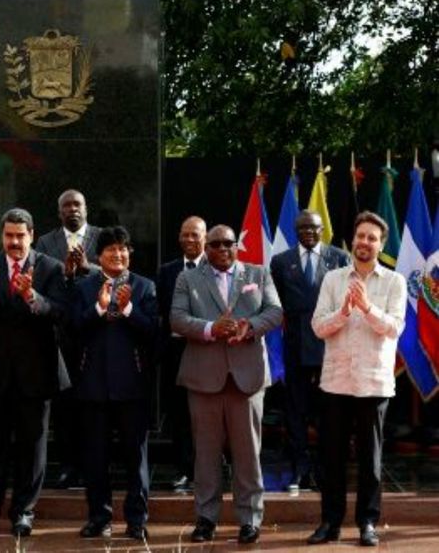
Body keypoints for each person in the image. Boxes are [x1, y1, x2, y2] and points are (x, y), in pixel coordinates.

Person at [170, 224, 282, 544]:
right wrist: (210, 329)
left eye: (228, 243)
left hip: (247, 379)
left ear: (236, 246)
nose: (222, 249)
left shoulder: (258, 274)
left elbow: (275, 312)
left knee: (248, 455)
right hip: (204, 379)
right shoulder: (187, 278)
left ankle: (250, 519)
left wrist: (250, 327)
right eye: (215, 244)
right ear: (206, 248)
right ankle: (206, 519)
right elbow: (177, 319)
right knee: (205, 455)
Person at [0, 208, 69, 537]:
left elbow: (60, 312)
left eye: (20, 236)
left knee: (31, 448)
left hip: (35, 374)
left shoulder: (51, 267)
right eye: (9, 235)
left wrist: (30, 295)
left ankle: (24, 512)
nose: (14, 242)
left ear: (31, 235)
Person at [306, 212, 406, 547]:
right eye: (360, 236)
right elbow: (318, 327)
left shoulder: (394, 282)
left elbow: (394, 328)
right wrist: (344, 312)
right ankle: (330, 522)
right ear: (353, 239)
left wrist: (366, 307)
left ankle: (367, 523)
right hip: (336, 382)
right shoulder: (333, 279)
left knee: (370, 460)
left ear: (381, 245)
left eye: (372, 238)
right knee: (331, 459)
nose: (365, 242)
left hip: (374, 384)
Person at [73, 226, 158, 540]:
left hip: (132, 385)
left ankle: (136, 520)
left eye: (123, 249)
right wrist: (98, 309)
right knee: (95, 458)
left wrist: (127, 310)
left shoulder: (145, 287)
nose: (118, 254)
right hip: (93, 386)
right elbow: (72, 328)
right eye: (111, 250)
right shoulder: (84, 287)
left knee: (136, 458)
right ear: (99, 256)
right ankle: (99, 518)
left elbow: (153, 331)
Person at [270, 210, 349, 490]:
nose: (308, 232)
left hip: (330, 346)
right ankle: (299, 469)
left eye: (313, 227)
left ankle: (326, 470)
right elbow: (276, 302)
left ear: (322, 229)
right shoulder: (281, 261)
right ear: (296, 231)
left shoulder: (339, 258)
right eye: (303, 228)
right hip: (295, 347)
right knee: (296, 412)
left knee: (329, 412)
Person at [35, 189, 101, 488]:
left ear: (86, 209)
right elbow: (40, 281)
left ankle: (93, 464)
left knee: (93, 402)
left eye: (77, 204)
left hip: (95, 331)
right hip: (60, 332)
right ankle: (68, 465)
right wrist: (67, 272)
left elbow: (118, 272)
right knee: (64, 404)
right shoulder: (46, 242)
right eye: (66, 205)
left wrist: (87, 267)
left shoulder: (101, 237)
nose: (72, 209)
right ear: (59, 211)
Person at [155, 215, 206, 492]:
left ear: (205, 237)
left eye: (194, 234)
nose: (189, 239)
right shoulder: (167, 271)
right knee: (180, 415)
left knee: (207, 415)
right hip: (176, 354)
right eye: (185, 234)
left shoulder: (216, 268)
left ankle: (207, 468)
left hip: (208, 352)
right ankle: (185, 469)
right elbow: (160, 313)